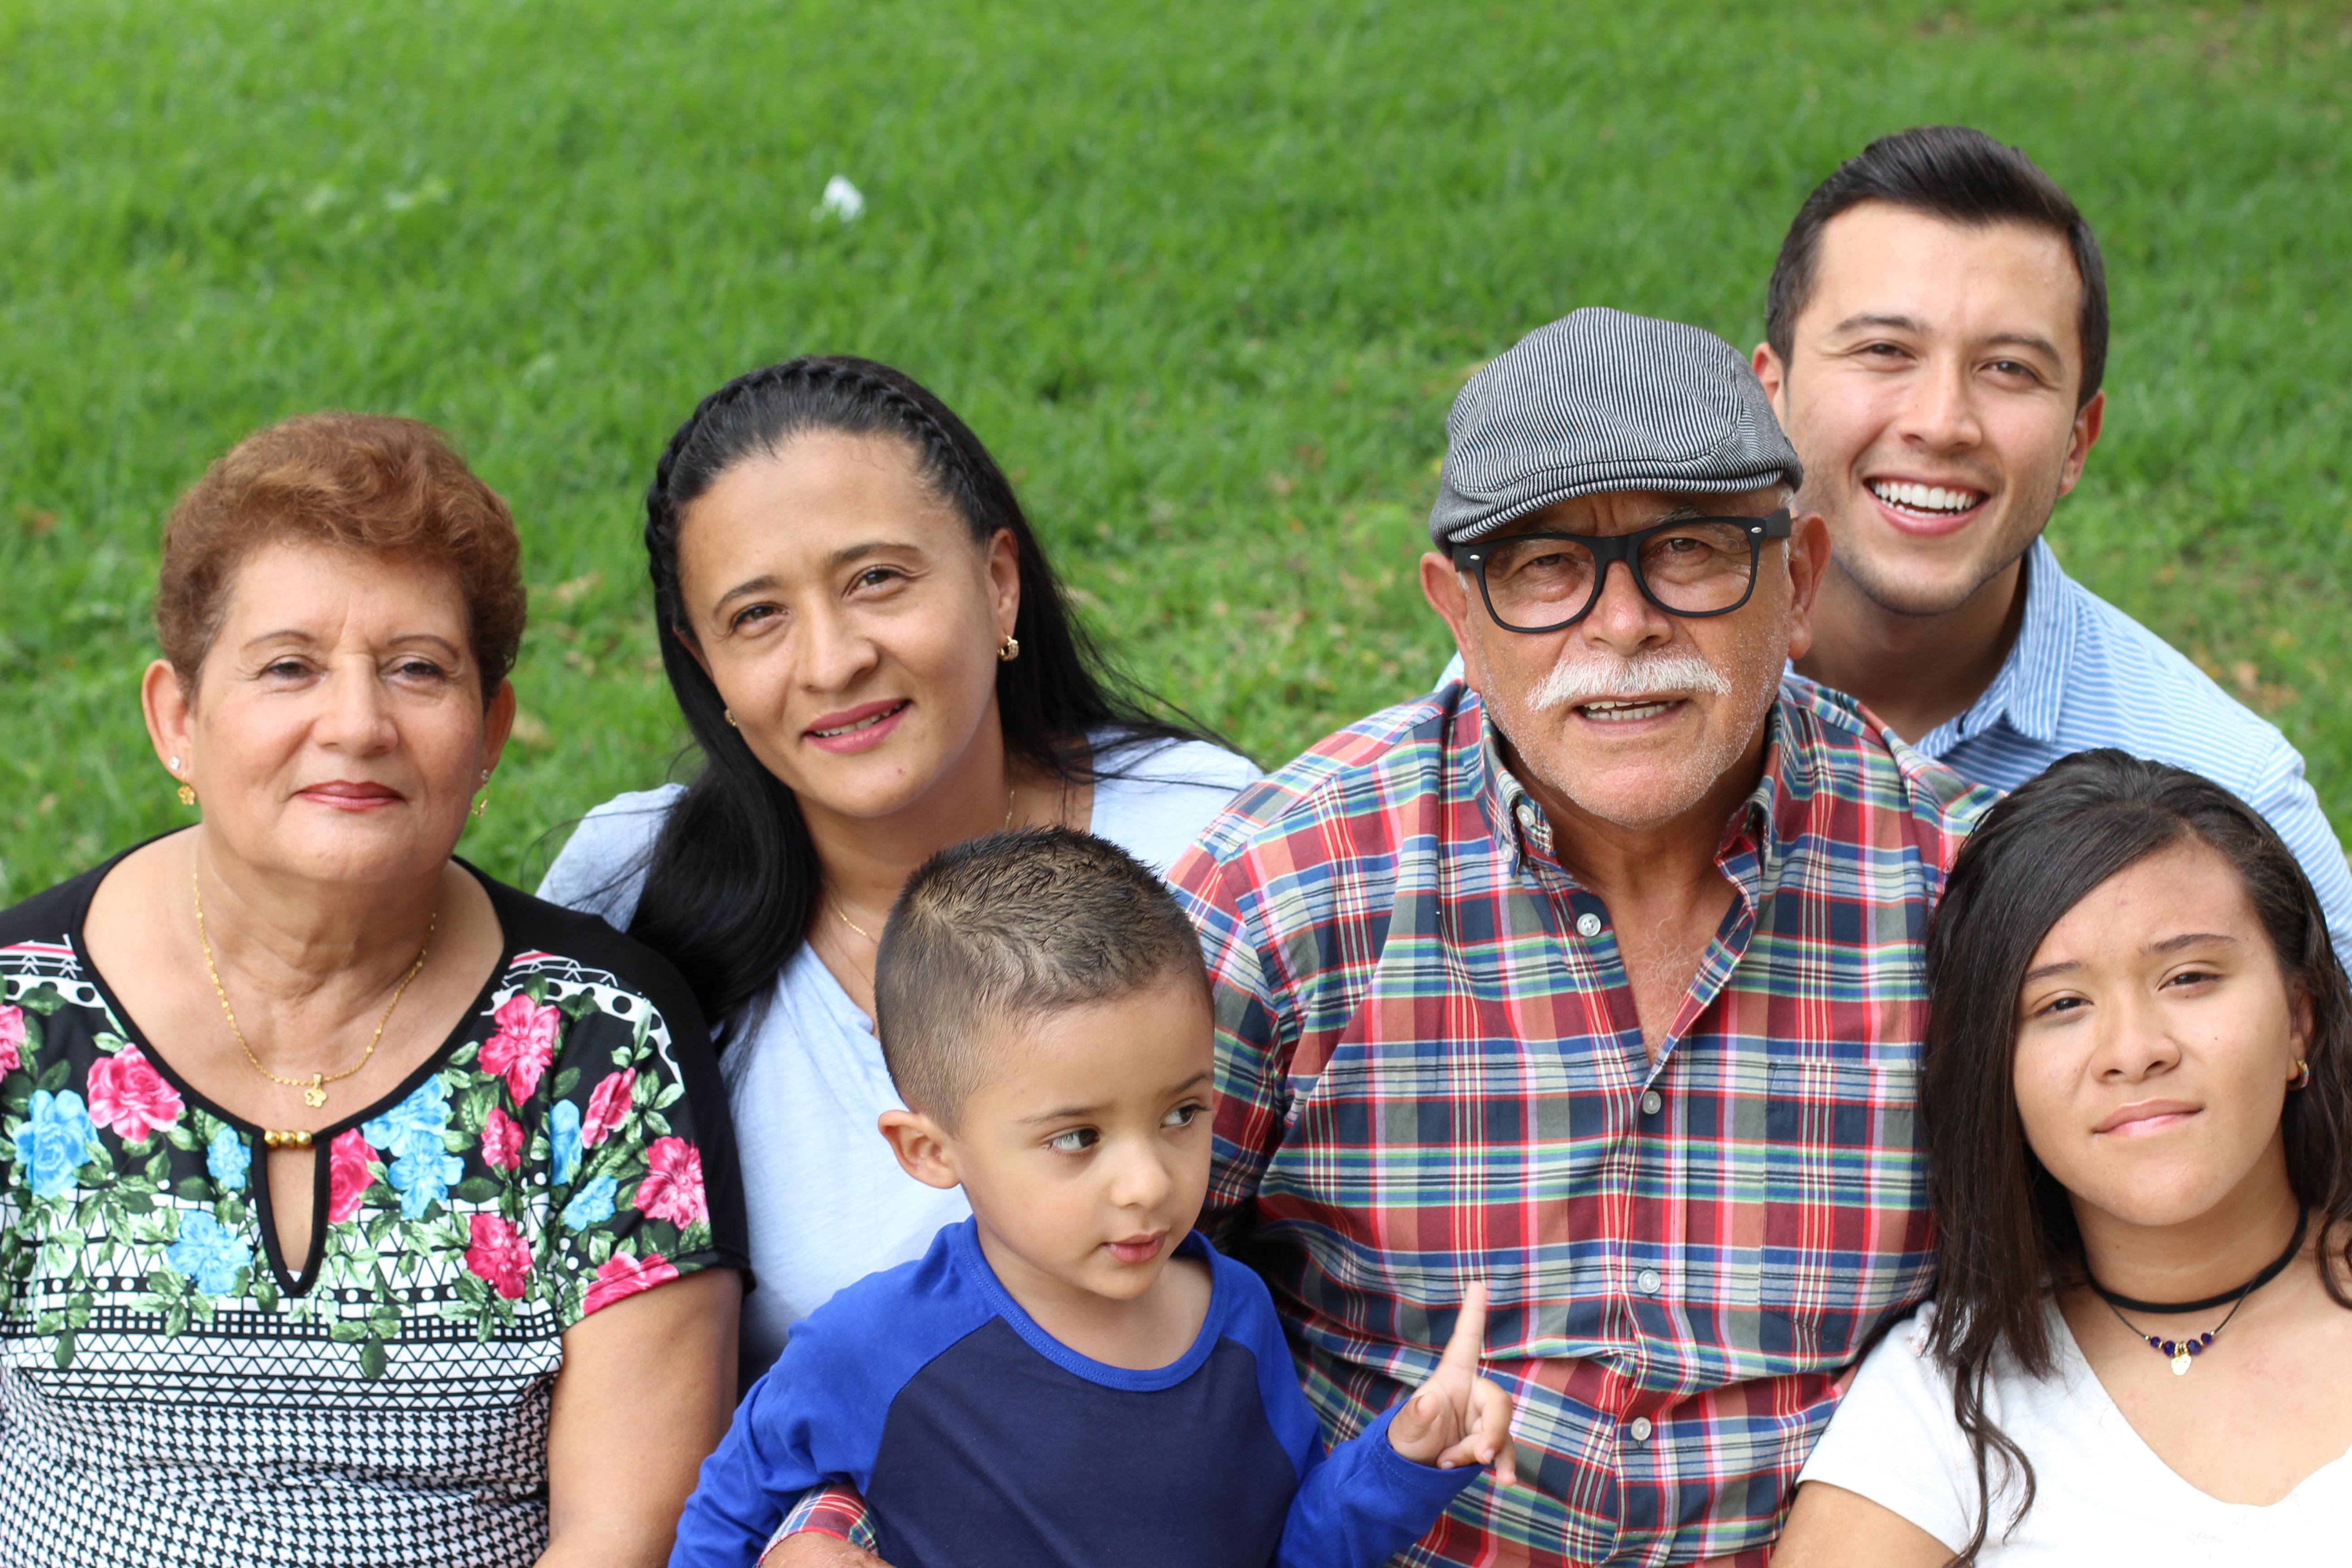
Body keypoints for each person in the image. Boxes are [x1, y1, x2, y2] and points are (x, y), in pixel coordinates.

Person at [767, 308, 1994, 1568]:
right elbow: (1037, 1280)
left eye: (1688, 552)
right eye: (1544, 568)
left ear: (1797, 577)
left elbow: (2114, 1305)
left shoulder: (1959, 887)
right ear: (1454, 607)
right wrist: (841, 1525)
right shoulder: (1291, 893)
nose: (1623, 626)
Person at [0, 413, 745, 1566]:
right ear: (178, 720)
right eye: (289, 666)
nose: (356, 724)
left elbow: (627, 1531)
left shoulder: (599, 1045)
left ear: (489, 733)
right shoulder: (18, 1020)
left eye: (417, 670)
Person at [539, 357, 1257, 1380]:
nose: (832, 661)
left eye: (876, 579)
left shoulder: (1213, 847)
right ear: (708, 669)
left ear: (998, 584)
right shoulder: (629, 899)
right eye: (758, 617)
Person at [671, 828, 1515, 1567]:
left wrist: (1404, 1460)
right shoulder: (870, 1349)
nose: (1149, 1182)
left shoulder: (1237, 1322)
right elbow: (724, 1519)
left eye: (1182, 1113)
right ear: (930, 1151)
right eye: (1078, 1138)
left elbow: (1288, 1547)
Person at [1750, 123, 2352, 941]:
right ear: (1771, 395)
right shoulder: (1623, 704)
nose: (1942, 423)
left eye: (2009, 369)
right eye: (1885, 349)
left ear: (2077, 443)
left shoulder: (2233, 797)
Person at [1777, 750, 2352, 1564]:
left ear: (2299, 1018)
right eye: (2062, 1004)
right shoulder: (1944, 1404)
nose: (2133, 1051)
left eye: (2188, 977)